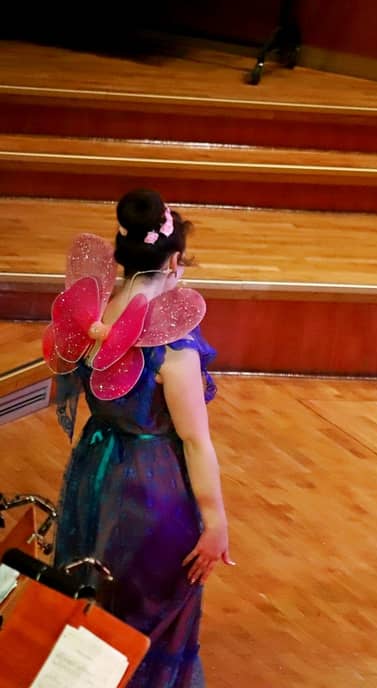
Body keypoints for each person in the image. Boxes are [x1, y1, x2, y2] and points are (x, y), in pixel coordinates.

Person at [45, 188, 233, 687]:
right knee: (147, 617)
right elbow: (195, 441)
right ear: (172, 262)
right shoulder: (172, 345)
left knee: (92, 600)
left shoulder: (94, 315)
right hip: (149, 488)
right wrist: (215, 521)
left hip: (94, 471)